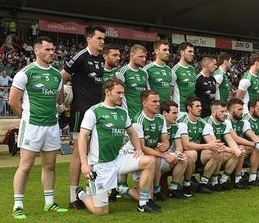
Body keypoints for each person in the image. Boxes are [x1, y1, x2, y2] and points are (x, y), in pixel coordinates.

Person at [76, 78, 159, 214]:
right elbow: (82, 137)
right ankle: (81, 194)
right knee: (101, 211)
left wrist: (138, 149)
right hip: (100, 164)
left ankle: (143, 202)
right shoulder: (94, 111)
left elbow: (132, 133)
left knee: (148, 161)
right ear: (107, 92)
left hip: (118, 159)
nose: (122, 96)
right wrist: (84, 163)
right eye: (118, 93)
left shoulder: (122, 112)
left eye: (123, 93)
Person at [9, 36, 67, 220]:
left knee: (50, 166)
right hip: (32, 125)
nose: (52, 53)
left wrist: (60, 107)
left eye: (53, 49)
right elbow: (12, 101)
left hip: (51, 126)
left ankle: (49, 203)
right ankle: (18, 205)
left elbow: (58, 99)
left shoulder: (57, 74)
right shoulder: (25, 73)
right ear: (37, 51)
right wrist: (25, 118)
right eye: (48, 50)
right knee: (25, 166)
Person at [61, 25, 106, 209]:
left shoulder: (101, 59)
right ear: (89, 39)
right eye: (99, 38)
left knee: (94, 153)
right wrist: (61, 103)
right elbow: (61, 78)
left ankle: (92, 191)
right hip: (80, 112)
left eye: (104, 39)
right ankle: (73, 198)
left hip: (97, 113)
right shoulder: (80, 57)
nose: (102, 41)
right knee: (78, 155)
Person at [132, 90, 185, 201]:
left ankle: (167, 189)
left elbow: (166, 141)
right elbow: (142, 148)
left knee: (183, 158)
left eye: (158, 101)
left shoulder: (160, 119)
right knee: (147, 198)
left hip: (154, 156)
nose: (158, 104)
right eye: (154, 101)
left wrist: (164, 146)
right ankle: (124, 189)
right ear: (144, 103)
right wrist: (165, 155)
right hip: (136, 157)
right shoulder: (138, 120)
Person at [178, 97, 223, 194]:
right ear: (189, 108)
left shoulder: (202, 122)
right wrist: (208, 146)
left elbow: (210, 141)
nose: (201, 108)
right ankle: (186, 185)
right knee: (192, 153)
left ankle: (203, 184)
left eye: (201, 106)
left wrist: (215, 144)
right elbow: (186, 145)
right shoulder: (183, 121)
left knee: (217, 152)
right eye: (197, 106)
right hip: (182, 154)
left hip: (198, 153)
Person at [225, 98, 259, 188]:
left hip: (235, 149)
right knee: (242, 148)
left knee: (258, 147)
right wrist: (255, 144)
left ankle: (253, 178)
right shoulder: (226, 120)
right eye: (239, 109)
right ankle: (234, 180)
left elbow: (252, 135)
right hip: (224, 148)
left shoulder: (243, 121)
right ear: (231, 111)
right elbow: (236, 138)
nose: (242, 112)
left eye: (242, 109)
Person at [204, 100, 242, 191]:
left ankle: (222, 181)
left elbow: (230, 140)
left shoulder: (224, 124)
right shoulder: (206, 123)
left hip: (216, 151)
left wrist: (237, 151)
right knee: (219, 152)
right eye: (222, 111)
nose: (225, 114)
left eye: (225, 111)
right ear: (213, 112)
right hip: (203, 153)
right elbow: (215, 144)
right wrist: (233, 150)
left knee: (237, 153)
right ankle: (205, 183)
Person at [160, 100, 193, 198]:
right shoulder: (159, 125)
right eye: (174, 113)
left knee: (184, 158)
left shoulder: (176, 126)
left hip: (168, 156)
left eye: (177, 113)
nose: (176, 116)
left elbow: (179, 145)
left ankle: (173, 189)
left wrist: (178, 153)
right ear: (165, 113)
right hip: (157, 156)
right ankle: (157, 191)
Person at [116, 44, 148, 118]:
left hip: (142, 115)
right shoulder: (122, 71)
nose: (144, 59)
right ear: (132, 55)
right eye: (141, 56)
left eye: (145, 57)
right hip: (128, 114)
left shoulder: (144, 73)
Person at [171, 42, 196, 113]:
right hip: (180, 110)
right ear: (182, 52)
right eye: (190, 51)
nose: (192, 54)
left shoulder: (193, 69)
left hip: (191, 110)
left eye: (193, 52)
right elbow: (170, 92)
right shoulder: (175, 70)